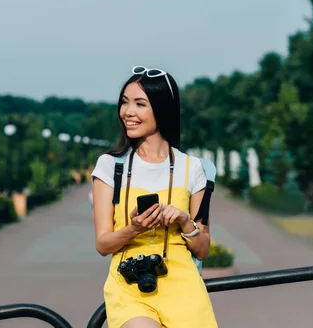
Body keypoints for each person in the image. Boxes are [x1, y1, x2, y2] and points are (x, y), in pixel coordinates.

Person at [91, 66, 218, 328]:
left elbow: (203, 249)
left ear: (162, 110)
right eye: (125, 102)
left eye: (140, 104)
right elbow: (103, 245)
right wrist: (133, 229)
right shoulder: (110, 166)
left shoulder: (192, 168)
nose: (128, 112)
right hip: (129, 283)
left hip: (182, 284)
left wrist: (184, 221)